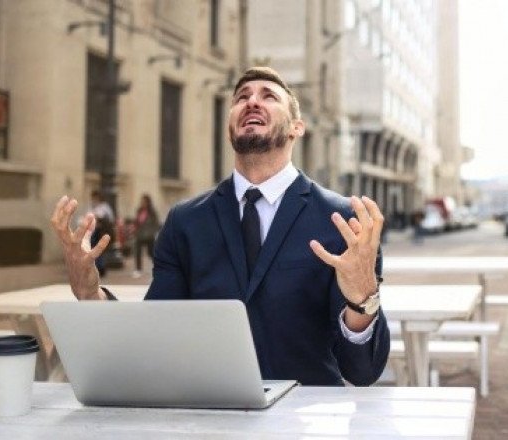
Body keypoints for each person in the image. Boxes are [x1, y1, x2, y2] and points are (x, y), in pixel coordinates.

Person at [50, 67, 389, 386]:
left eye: (268, 96)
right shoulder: (185, 221)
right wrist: (89, 294)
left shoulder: (344, 222)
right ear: (230, 126)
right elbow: (154, 336)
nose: (252, 101)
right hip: (210, 416)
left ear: (296, 128)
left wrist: (363, 298)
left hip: (304, 419)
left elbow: (362, 371)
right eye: (241, 97)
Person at [131, 194, 161, 278]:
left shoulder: (152, 212)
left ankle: (158, 268)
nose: (142, 202)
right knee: (137, 252)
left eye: (144, 201)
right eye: (142, 201)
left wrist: (152, 232)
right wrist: (134, 229)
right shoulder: (139, 210)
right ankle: (138, 270)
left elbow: (156, 224)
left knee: (151, 253)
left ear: (148, 202)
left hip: (149, 236)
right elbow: (136, 222)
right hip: (139, 235)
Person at [88, 190, 115, 277]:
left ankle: (101, 268)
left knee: (100, 249)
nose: (93, 199)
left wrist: (99, 219)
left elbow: (109, 218)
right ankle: (96, 267)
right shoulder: (92, 207)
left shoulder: (104, 207)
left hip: (101, 231)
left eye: (95, 197)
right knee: (93, 249)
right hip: (93, 231)